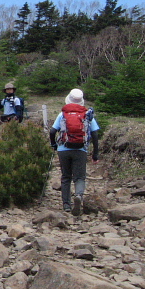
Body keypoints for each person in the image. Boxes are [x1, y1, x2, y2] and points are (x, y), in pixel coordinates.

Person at [49, 88, 100, 216]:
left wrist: (54, 144)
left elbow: (52, 132)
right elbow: (95, 135)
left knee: (66, 177)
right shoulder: (88, 114)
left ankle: (66, 205)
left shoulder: (62, 114)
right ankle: (78, 195)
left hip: (63, 149)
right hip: (80, 149)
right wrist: (95, 154)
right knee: (79, 177)